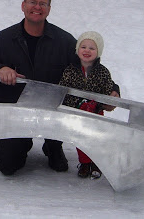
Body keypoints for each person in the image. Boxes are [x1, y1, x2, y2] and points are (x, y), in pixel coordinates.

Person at [0, 0, 119, 176]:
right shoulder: (4, 38)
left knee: (59, 166)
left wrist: (112, 90)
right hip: (15, 113)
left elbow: (89, 68)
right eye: (32, 2)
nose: (37, 7)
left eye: (42, 4)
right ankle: (23, 140)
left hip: (54, 114)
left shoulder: (64, 41)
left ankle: (53, 145)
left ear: (49, 9)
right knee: (7, 166)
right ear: (23, 5)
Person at [59, 31, 117, 179]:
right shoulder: (70, 70)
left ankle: (96, 162)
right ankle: (84, 163)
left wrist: (105, 102)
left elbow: (107, 90)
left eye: (92, 48)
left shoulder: (103, 72)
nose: (87, 51)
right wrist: (75, 104)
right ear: (77, 50)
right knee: (81, 139)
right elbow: (63, 90)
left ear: (98, 52)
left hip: (96, 113)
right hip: (78, 113)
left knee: (97, 138)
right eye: (83, 47)